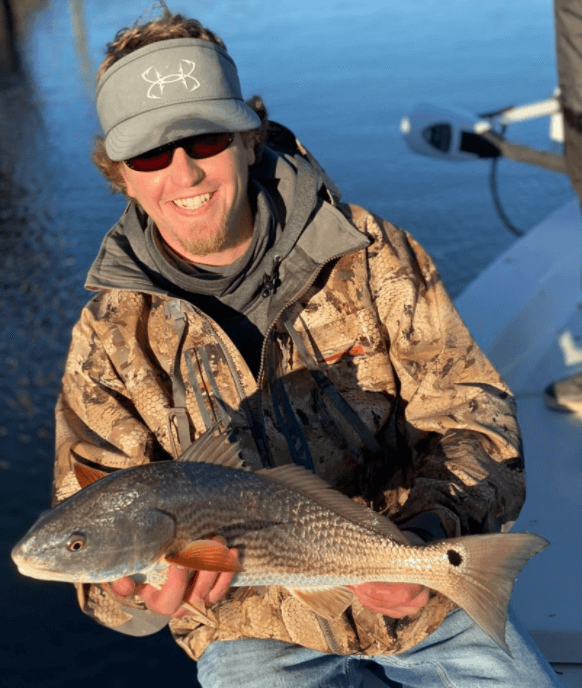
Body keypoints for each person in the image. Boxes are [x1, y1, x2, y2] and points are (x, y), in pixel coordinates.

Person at [52, 9, 562, 688]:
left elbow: (474, 417)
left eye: (205, 140)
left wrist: (422, 545)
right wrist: (137, 600)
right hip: (248, 627)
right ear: (121, 174)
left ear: (247, 138)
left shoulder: (372, 253)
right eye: (149, 154)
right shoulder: (109, 337)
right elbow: (86, 537)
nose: (184, 174)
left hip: (417, 602)